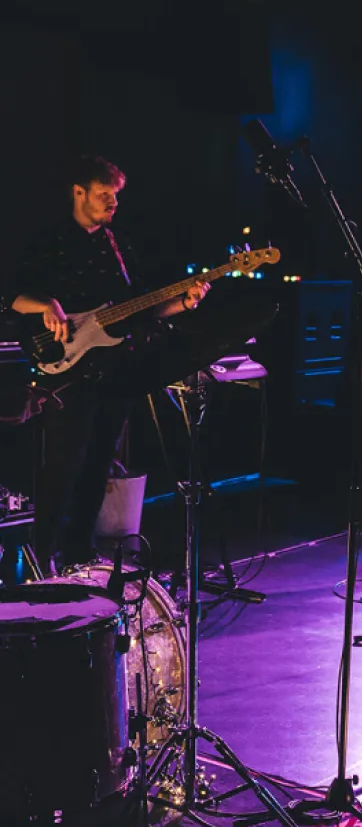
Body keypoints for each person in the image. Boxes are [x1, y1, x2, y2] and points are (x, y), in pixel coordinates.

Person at [4, 155, 276, 574]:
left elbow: (141, 310)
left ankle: (78, 554)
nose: (113, 203)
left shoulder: (118, 245)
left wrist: (183, 302)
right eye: (104, 195)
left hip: (114, 370)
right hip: (66, 371)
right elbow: (13, 297)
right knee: (64, 465)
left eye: (116, 196)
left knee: (98, 467)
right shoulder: (49, 240)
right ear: (79, 192)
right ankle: (41, 559)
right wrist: (48, 305)